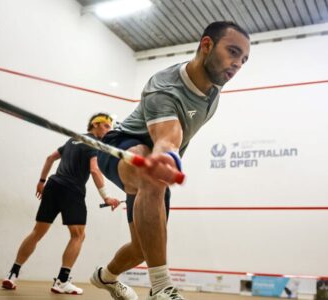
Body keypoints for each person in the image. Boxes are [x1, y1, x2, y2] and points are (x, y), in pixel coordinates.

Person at [90, 21, 250, 300]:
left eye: (243, 59)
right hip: (119, 148)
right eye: (233, 52)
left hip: (157, 167)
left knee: (143, 249)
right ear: (207, 45)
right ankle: (161, 287)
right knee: (151, 171)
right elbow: (166, 138)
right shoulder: (163, 88)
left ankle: (105, 277)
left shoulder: (214, 87)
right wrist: (166, 157)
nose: (238, 64)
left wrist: (165, 158)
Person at [1, 112, 121, 295]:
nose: (108, 130)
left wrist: (41, 182)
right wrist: (106, 197)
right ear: (95, 125)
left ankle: (12, 274)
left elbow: (50, 158)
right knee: (78, 235)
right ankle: (62, 281)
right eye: (106, 126)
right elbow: (95, 171)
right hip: (72, 190)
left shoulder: (72, 140)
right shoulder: (93, 144)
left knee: (37, 232)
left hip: (53, 185)